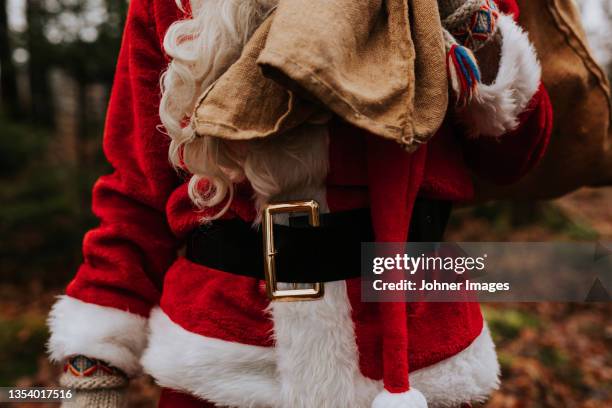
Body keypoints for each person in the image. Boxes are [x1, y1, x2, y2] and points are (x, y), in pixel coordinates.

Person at [47, 0, 552, 407]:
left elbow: (514, 158)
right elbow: (138, 189)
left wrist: (468, 23)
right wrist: (98, 359)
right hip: (226, 359)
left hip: (418, 355)